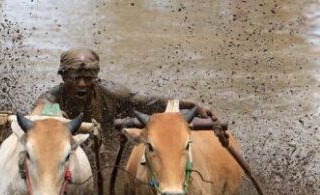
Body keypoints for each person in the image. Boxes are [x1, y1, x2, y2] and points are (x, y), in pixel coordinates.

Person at [32, 48, 213, 151]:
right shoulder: (51, 99)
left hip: (108, 149)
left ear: (95, 79)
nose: (82, 84)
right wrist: (51, 115)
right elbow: (40, 112)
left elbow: (148, 102)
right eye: (75, 78)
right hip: (66, 151)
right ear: (63, 78)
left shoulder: (112, 93)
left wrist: (190, 105)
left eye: (88, 79)